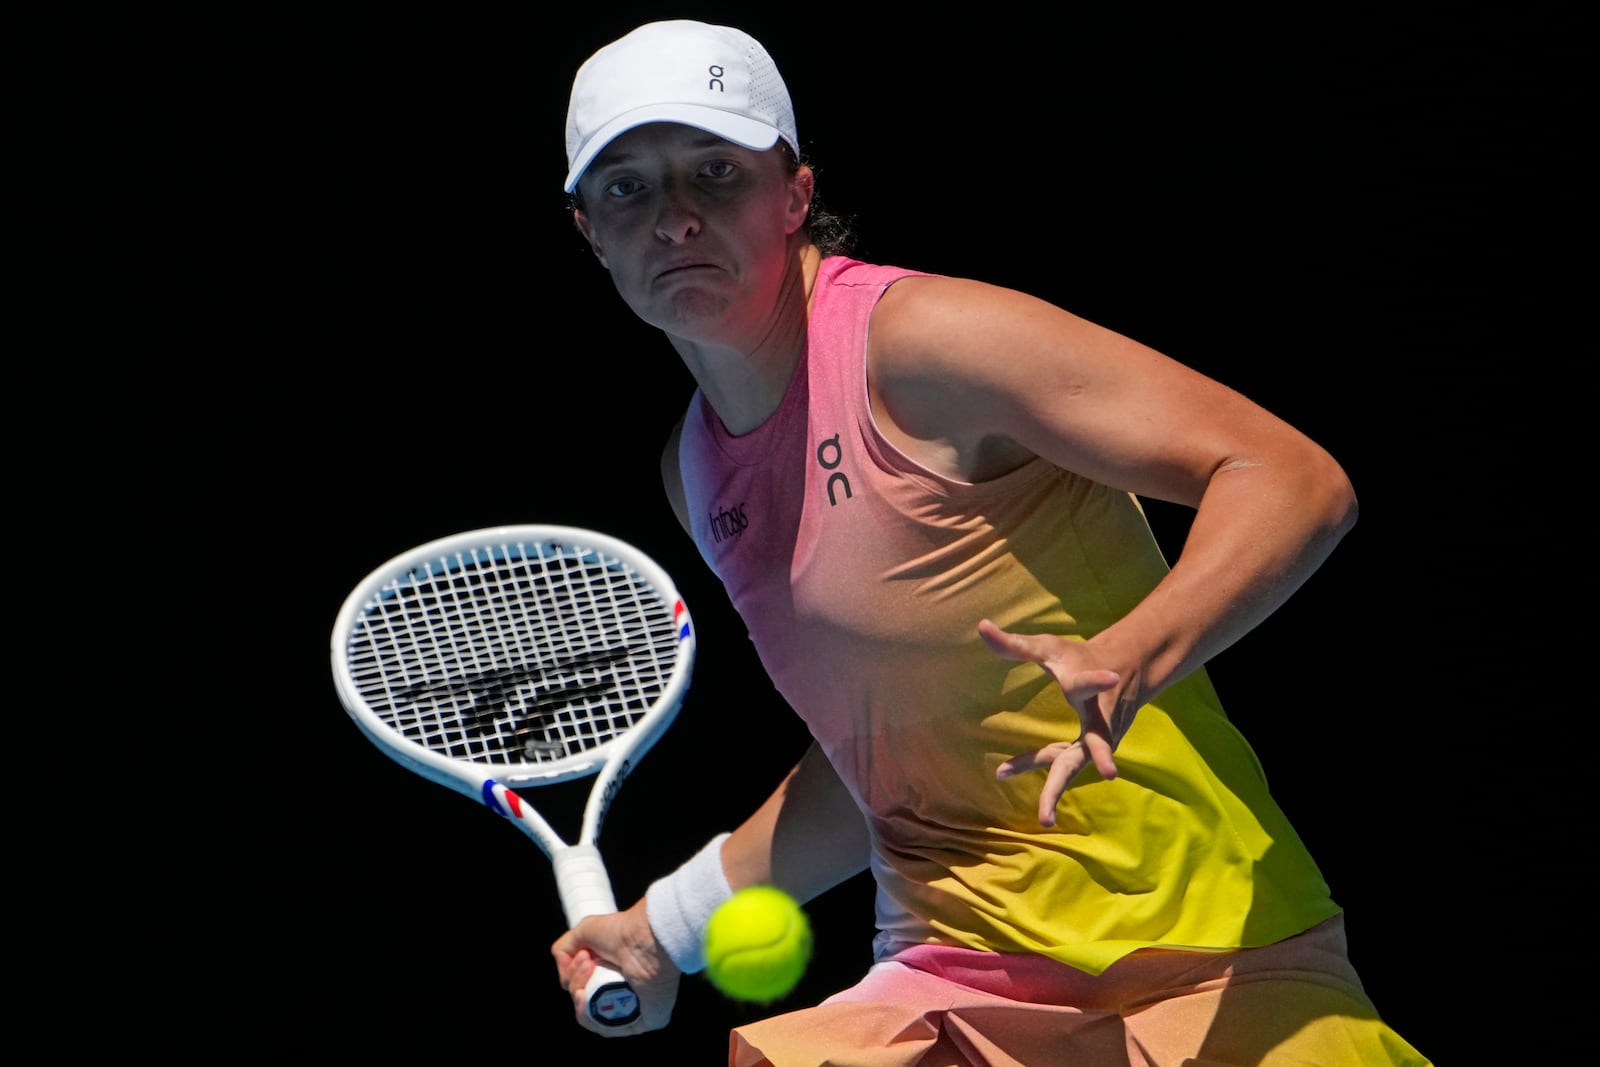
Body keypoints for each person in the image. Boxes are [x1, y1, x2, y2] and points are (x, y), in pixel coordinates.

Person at [550, 19, 1431, 1067]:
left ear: (793, 195)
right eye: (627, 189)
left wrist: (1131, 650)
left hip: (1207, 944)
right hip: (955, 966)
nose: (676, 217)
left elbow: (1289, 477)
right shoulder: (694, 475)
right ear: (589, 232)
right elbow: (875, 758)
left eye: (714, 171)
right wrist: (667, 926)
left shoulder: (927, 345)